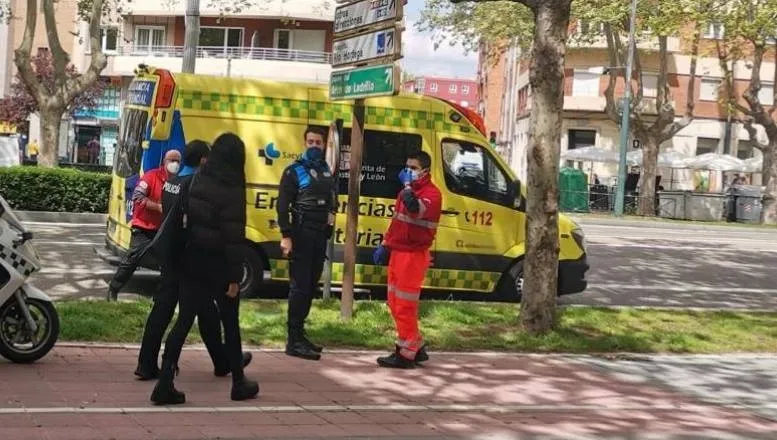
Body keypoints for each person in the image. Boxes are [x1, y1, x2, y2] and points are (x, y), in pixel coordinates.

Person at [151, 133, 258, 405]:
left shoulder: (196, 179)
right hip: (220, 265)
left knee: (183, 321)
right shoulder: (232, 187)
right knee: (230, 324)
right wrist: (235, 277)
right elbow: (234, 237)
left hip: (192, 261)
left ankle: (164, 383)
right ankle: (238, 382)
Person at [373, 151, 442, 369]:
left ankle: (407, 351)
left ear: (425, 171)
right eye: (407, 166)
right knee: (394, 301)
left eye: (413, 167)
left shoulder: (432, 194)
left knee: (404, 305)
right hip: (399, 253)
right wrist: (386, 244)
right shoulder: (405, 193)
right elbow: (397, 222)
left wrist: (408, 189)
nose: (408, 171)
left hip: (413, 255)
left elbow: (415, 211)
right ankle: (416, 345)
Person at [276, 126, 337, 361]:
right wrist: (286, 235)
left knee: (311, 285)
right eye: (310, 142)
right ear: (304, 144)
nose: (313, 146)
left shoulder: (326, 172)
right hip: (301, 234)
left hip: (319, 235)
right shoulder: (293, 171)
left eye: (318, 142)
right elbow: (282, 206)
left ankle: (301, 334)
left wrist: (330, 226)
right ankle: (293, 340)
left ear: (323, 146)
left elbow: (332, 202)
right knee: (299, 287)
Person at [106, 149, 181, 301]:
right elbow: (138, 196)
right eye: (172, 160)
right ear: (164, 162)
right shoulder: (151, 176)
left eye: (178, 161)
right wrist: (158, 207)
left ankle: (161, 298)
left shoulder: (178, 182)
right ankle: (113, 288)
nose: (175, 164)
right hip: (144, 227)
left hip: (163, 230)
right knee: (132, 260)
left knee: (169, 264)